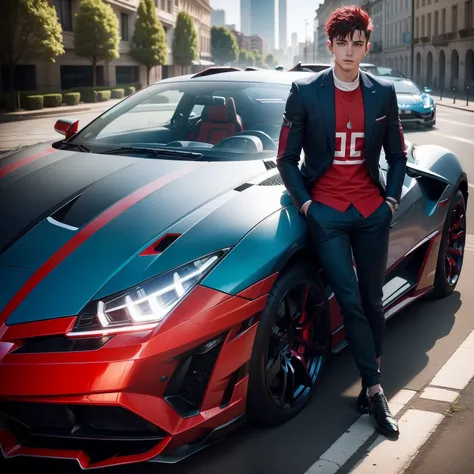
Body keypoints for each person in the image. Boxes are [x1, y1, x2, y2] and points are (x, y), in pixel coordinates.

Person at [277, 5, 407, 438]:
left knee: (373, 298)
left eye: (358, 43)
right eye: (342, 43)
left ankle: (373, 377)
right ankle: (375, 390)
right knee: (349, 299)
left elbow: (398, 154)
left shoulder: (383, 93)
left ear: (366, 46)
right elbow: (285, 158)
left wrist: (391, 199)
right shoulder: (305, 91)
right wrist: (308, 206)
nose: (350, 51)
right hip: (328, 212)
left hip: (372, 210)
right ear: (329, 44)